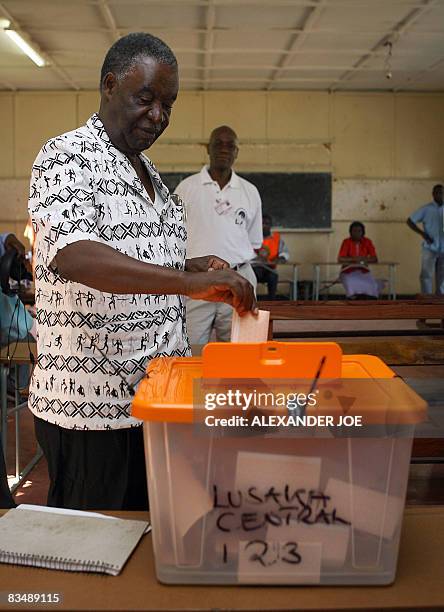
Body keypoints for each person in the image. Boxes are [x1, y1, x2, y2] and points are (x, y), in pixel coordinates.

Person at [28, 33, 256, 511]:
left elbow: (141, 256)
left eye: (167, 104)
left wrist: (191, 265)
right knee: (95, 547)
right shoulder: (67, 157)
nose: (158, 116)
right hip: (92, 410)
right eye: (146, 98)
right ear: (110, 86)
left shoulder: (148, 171)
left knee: (150, 542)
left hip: (154, 400)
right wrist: (187, 282)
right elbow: (73, 254)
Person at [175, 125, 262, 343]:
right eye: (218, 144)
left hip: (238, 279)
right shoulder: (186, 188)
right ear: (208, 148)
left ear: (237, 152)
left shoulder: (250, 191)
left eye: (230, 145)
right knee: (191, 348)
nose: (224, 149)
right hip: (197, 281)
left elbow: (253, 241)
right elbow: (173, 236)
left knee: (240, 353)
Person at [407, 184, 444, 295]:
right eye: (436, 192)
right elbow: (410, 221)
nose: (439, 195)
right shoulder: (426, 209)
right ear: (433, 195)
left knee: (442, 276)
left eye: (441, 192)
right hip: (429, 247)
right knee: (426, 274)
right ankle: (426, 298)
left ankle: (440, 299)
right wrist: (423, 234)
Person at [337, 222, 381, 299]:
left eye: (359, 231)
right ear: (350, 232)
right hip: (347, 271)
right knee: (351, 284)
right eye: (354, 231)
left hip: (363, 271)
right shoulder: (346, 242)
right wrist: (354, 259)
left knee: (372, 285)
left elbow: (374, 259)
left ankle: (368, 306)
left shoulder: (367, 242)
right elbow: (340, 259)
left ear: (363, 232)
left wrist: (362, 259)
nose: (356, 233)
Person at [252, 214, 289, 299]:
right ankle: (252, 302)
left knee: (273, 276)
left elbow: (285, 252)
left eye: (267, 224)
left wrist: (281, 258)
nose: (264, 226)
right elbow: (245, 253)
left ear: (270, 225)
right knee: (249, 276)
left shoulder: (276, 238)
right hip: (255, 268)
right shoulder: (252, 238)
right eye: (262, 223)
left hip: (270, 268)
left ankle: (272, 302)